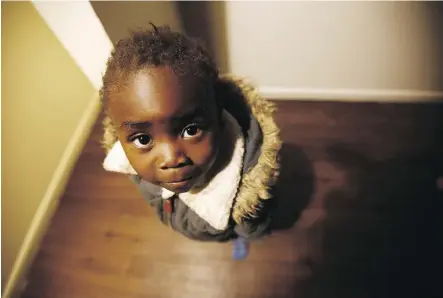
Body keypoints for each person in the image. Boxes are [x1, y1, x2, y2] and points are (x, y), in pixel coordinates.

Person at [101, 24, 281, 260]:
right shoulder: (131, 165)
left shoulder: (248, 197)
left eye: (191, 129)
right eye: (143, 139)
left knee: (241, 235)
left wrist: (248, 231)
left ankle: (237, 240)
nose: (171, 159)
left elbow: (257, 223)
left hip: (226, 230)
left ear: (219, 117)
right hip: (186, 225)